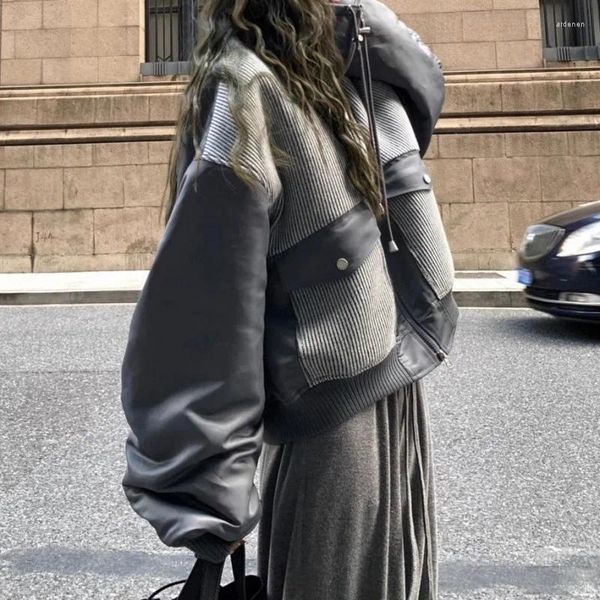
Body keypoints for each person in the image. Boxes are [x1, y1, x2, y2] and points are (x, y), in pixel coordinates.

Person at [119, 0, 459, 598]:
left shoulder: (303, 70)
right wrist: (209, 510)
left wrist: (206, 516)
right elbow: (207, 317)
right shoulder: (303, 73)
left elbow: (206, 319)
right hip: (365, 417)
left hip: (366, 413)